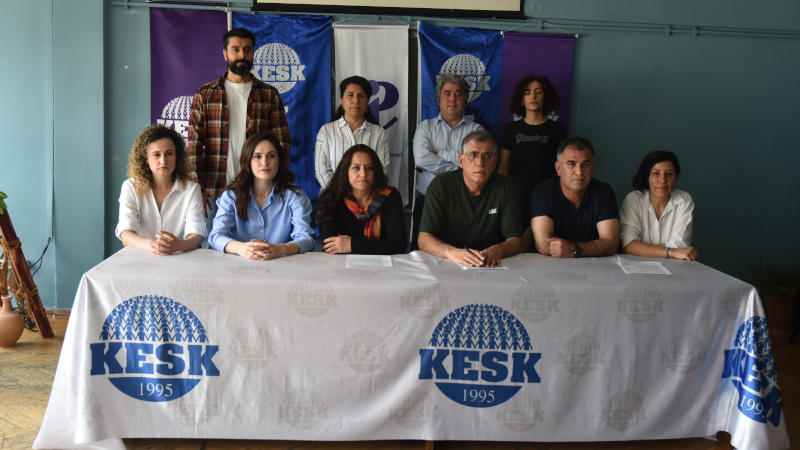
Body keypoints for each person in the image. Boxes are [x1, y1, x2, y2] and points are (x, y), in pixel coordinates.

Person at [188, 27, 290, 222]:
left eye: (247, 49)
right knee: (212, 242)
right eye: (235, 49)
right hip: (213, 192)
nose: (242, 55)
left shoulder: (269, 95)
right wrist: (197, 188)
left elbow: (281, 144)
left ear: (253, 53)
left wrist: (277, 184)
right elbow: (194, 145)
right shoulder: (206, 94)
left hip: (257, 190)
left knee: (255, 242)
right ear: (225, 54)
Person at [418, 131, 524, 267]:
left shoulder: (506, 186)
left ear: (495, 162)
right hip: (449, 261)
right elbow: (424, 239)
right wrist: (451, 252)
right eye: (473, 155)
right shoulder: (441, 185)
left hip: (489, 263)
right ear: (461, 160)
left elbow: (515, 240)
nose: (480, 163)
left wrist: (499, 250)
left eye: (488, 156)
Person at [208, 132, 314, 259]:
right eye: (257, 156)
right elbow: (216, 236)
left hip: (282, 264)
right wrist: (241, 248)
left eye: (271, 156)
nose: (264, 162)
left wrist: (280, 249)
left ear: (279, 161)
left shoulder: (295, 196)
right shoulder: (231, 196)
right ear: (248, 161)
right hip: (240, 264)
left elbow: (306, 239)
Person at [411, 74, 484, 250]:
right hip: (427, 202)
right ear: (438, 100)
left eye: (458, 94)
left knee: (463, 256)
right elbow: (422, 159)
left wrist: (441, 154)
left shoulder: (476, 130)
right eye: (447, 93)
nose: (453, 98)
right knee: (421, 257)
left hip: (464, 205)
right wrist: (459, 168)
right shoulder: (425, 128)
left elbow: (476, 162)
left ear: (465, 101)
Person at [116, 124, 206, 255]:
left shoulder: (191, 189)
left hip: (179, 257)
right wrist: (153, 245)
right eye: (156, 155)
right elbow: (126, 234)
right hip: (140, 257)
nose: (163, 161)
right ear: (146, 158)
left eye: (169, 154)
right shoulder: (130, 187)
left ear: (177, 156)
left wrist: (178, 245)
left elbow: (197, 235)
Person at [531, 137, 619, 258]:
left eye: (585, 164)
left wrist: (572, 249)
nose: (579, 172)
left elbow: (611, 244)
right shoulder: (543, 192)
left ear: (592, 168)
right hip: (550, 263)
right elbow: (544, 245)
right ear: (558, 168)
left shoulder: (604, 192)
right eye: (571, 164)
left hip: (591, 265)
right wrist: (591, 247)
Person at [499, 75, 567, 227]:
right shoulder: (510, 129)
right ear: (521, 99)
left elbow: (563, 168)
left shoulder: (557, 129)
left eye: (538, 92)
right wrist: (501, 197)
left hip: (546, 196)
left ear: (546, 97)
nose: (533, 96)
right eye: (527, 92)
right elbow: (503, 168)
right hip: (516, 196)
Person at [317, 145, 406, 255]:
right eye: (356, 168)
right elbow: (329, 247)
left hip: (381, 264)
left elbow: (399, 245)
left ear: (375, 171)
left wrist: (353, 245)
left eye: (369, 168)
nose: (363, 174)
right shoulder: (331, 198)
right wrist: (376, 247)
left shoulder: (390, 196)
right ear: (345, 171)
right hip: (342, 264)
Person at [620, 150, 698, 260]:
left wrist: (640, 249)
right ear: (647, 176)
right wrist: (671, 252)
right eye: (656, 173)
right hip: (636, 265)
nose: (662, 180)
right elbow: (628, 246)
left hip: (672, 266)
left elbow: (680, 244)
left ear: (676, 178)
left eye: (669, 174)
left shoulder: (684, 200)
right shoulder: (633, 199)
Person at [315, 76, 389, 190]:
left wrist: (361, 195)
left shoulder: (379, 133)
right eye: (350, 95)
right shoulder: (326, 131)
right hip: (334, 197)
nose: (356, 101)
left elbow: (381, 171)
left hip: (368, 197)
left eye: (361, 96)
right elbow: (322, 171)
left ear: (368, 100)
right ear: (341, 99)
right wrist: (341, 195)